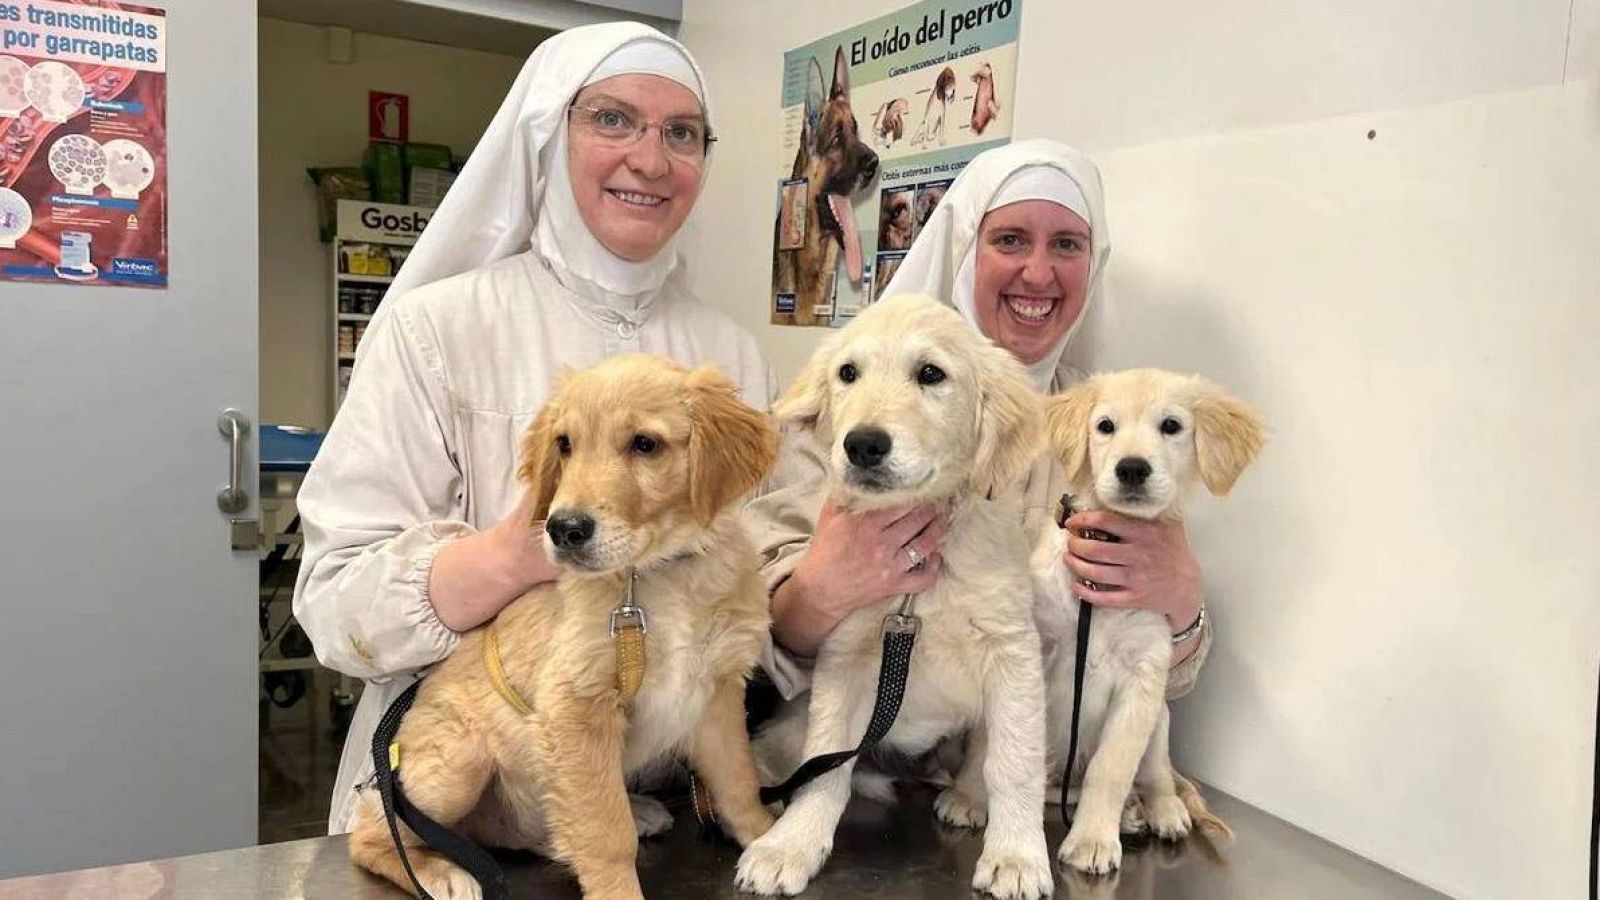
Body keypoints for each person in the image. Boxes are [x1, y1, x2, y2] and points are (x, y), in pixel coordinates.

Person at [292, 22, 773, 835]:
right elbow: (335, 605)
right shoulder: (436, 328)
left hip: (637, 808)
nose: (651, 160)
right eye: (613, 119)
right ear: (549, 133)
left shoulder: (729, 352)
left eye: (681, 133)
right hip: (458, 798)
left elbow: (754, 572)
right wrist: (512, 556)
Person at [747, 139, 1210, 703]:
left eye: (1066, 244)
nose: (1038, 273)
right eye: (1009, 240)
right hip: (859, 756)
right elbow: (744, 641)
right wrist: (816, 594)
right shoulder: (852, 404)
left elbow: (1155, 673)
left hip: (1021, 770)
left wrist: (1181, 601)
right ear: (965, 251)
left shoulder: (1109, 427)